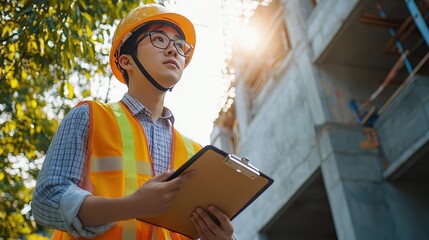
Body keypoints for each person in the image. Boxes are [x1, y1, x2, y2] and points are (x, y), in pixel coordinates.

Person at [31, 4, 235, 240]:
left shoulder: (196, 153)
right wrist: (132, 205)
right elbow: (46, 201)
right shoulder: (89, 117)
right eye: (159, 39)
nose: (173, 50)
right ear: (126, 61)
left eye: (180, 45)